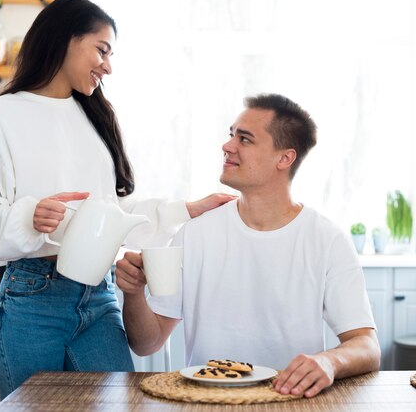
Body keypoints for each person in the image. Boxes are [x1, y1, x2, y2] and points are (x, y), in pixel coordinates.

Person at [0, 0, 233, 399]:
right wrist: (30, 216)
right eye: (101, 49)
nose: (108, 65)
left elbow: (112, 214)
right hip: (31, 299)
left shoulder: (96, 117)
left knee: (119, 403)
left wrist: (187, 210)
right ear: (65, 39)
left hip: (99, 298)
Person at [115, 93, 381, 398]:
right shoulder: (196, 234)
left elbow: (367, 345)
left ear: (285, 158)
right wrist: (133, 292)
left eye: (245, 139)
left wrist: (329, 361)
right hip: (207, 401)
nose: (227, 145)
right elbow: (147, 343)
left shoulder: (327, 239)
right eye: (231, 135)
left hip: (291, 401)